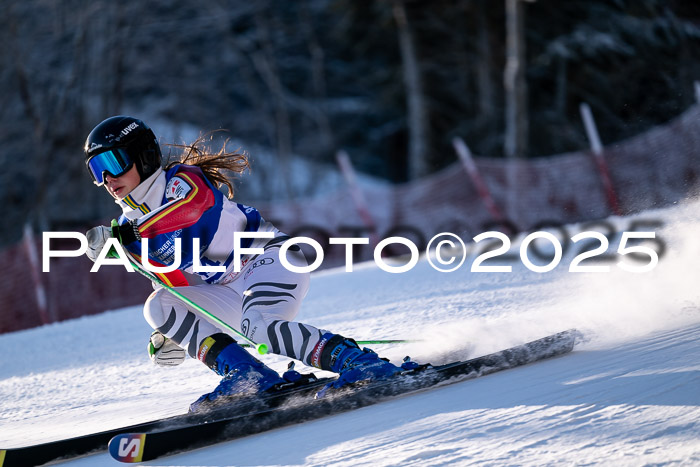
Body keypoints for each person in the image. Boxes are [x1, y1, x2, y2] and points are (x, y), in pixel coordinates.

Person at [83, 115, 402, 412]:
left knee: (260, 328)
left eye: (114, 162)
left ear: (143, 156)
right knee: (158, 306)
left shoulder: (181, 182)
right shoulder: (130, 233)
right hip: (228, 289)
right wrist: (169, 335)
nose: (108, 178)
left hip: (269, 259)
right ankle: (248, 376)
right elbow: (176, 285)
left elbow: (190, 212)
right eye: (98, 170)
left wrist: (130, 232)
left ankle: (360, 363)